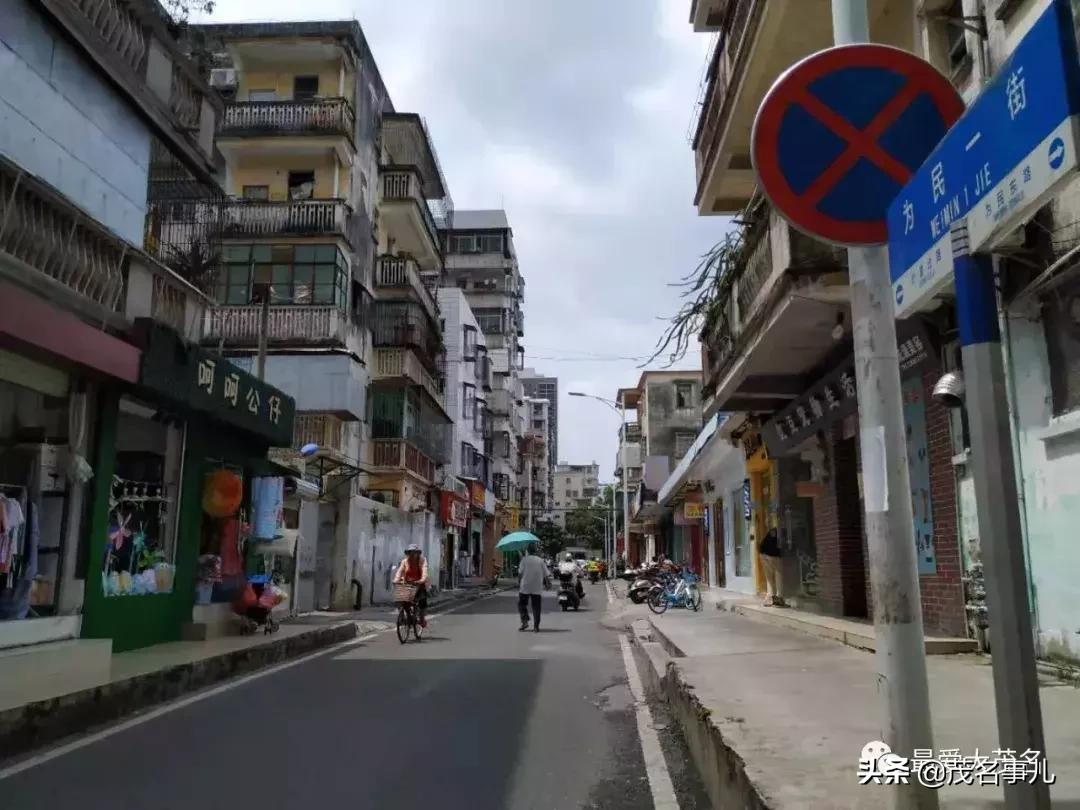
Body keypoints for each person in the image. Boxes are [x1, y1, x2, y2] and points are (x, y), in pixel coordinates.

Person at [393, 544, 430, 627]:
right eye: (411, 552)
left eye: (415, 552)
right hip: (407, 583)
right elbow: (399, 571)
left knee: (422, 601)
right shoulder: (405, 561)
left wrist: (422, 580)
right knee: (400, 599)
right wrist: (396, 580)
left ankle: (422, 618)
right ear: (408, 553)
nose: (413, 555)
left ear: (418, 553)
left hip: (419, 583)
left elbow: (425, 571)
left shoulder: (422, 560)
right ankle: (402, 615)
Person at [518, 543, 549, 632]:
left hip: (525, 586)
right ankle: (536, 627)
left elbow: (520, 573)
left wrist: (519, 581)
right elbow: (546, 574)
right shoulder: (540, 560)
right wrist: (547, 583)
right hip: (537, 587)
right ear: (535, 550)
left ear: (528, 550)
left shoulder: (524, 560)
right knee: (536, 607)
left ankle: (524, 621)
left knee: (522, 604)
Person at [759, 528, 785, 607]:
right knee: (779, 574)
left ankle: (769, 598)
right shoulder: (781, 532)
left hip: (763, 554)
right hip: (773, 554)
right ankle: (779, 598)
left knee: (769, 577)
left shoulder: (772, 531)